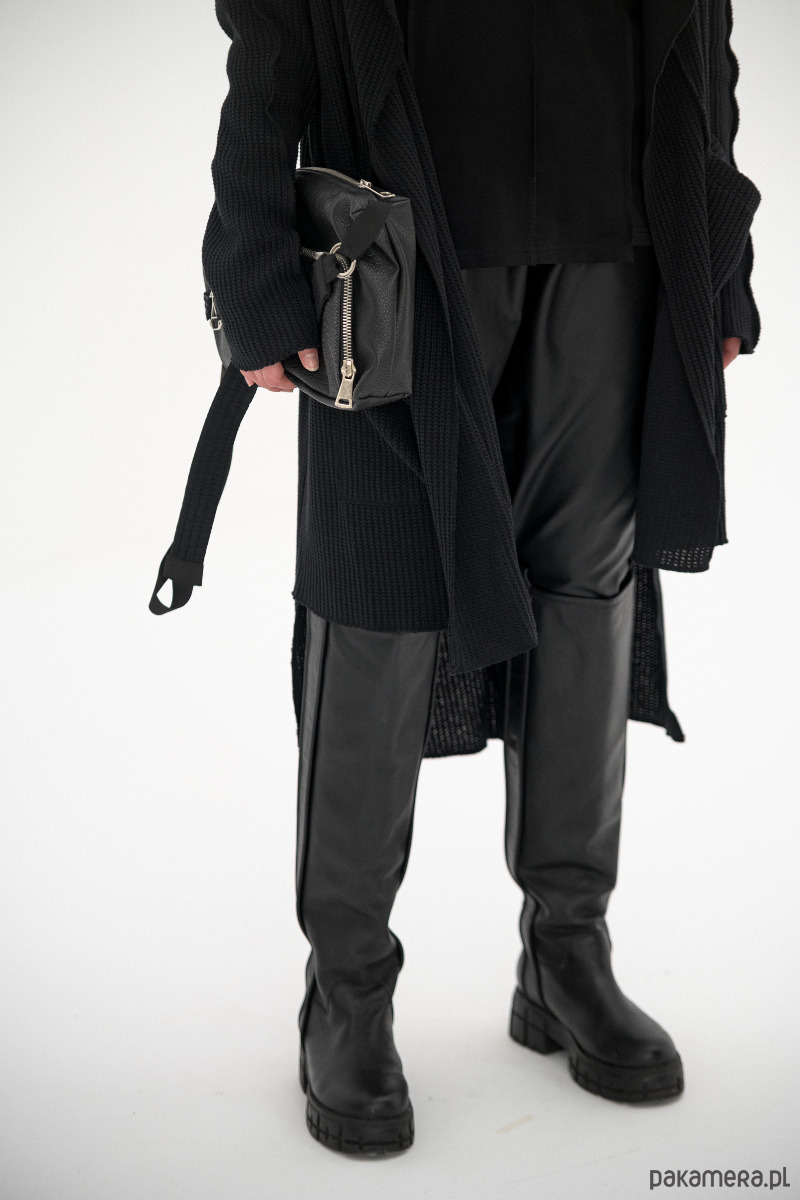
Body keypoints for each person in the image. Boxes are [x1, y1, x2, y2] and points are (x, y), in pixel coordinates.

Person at [199, 0, 761, 1157]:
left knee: (586, 595)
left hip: (619, 234)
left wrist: (719, 255)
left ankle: (566, 954)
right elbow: (272, 31)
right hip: (396, 246)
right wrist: (253, 258)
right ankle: (346, 992)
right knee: (377, 608)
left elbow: (704, 36)